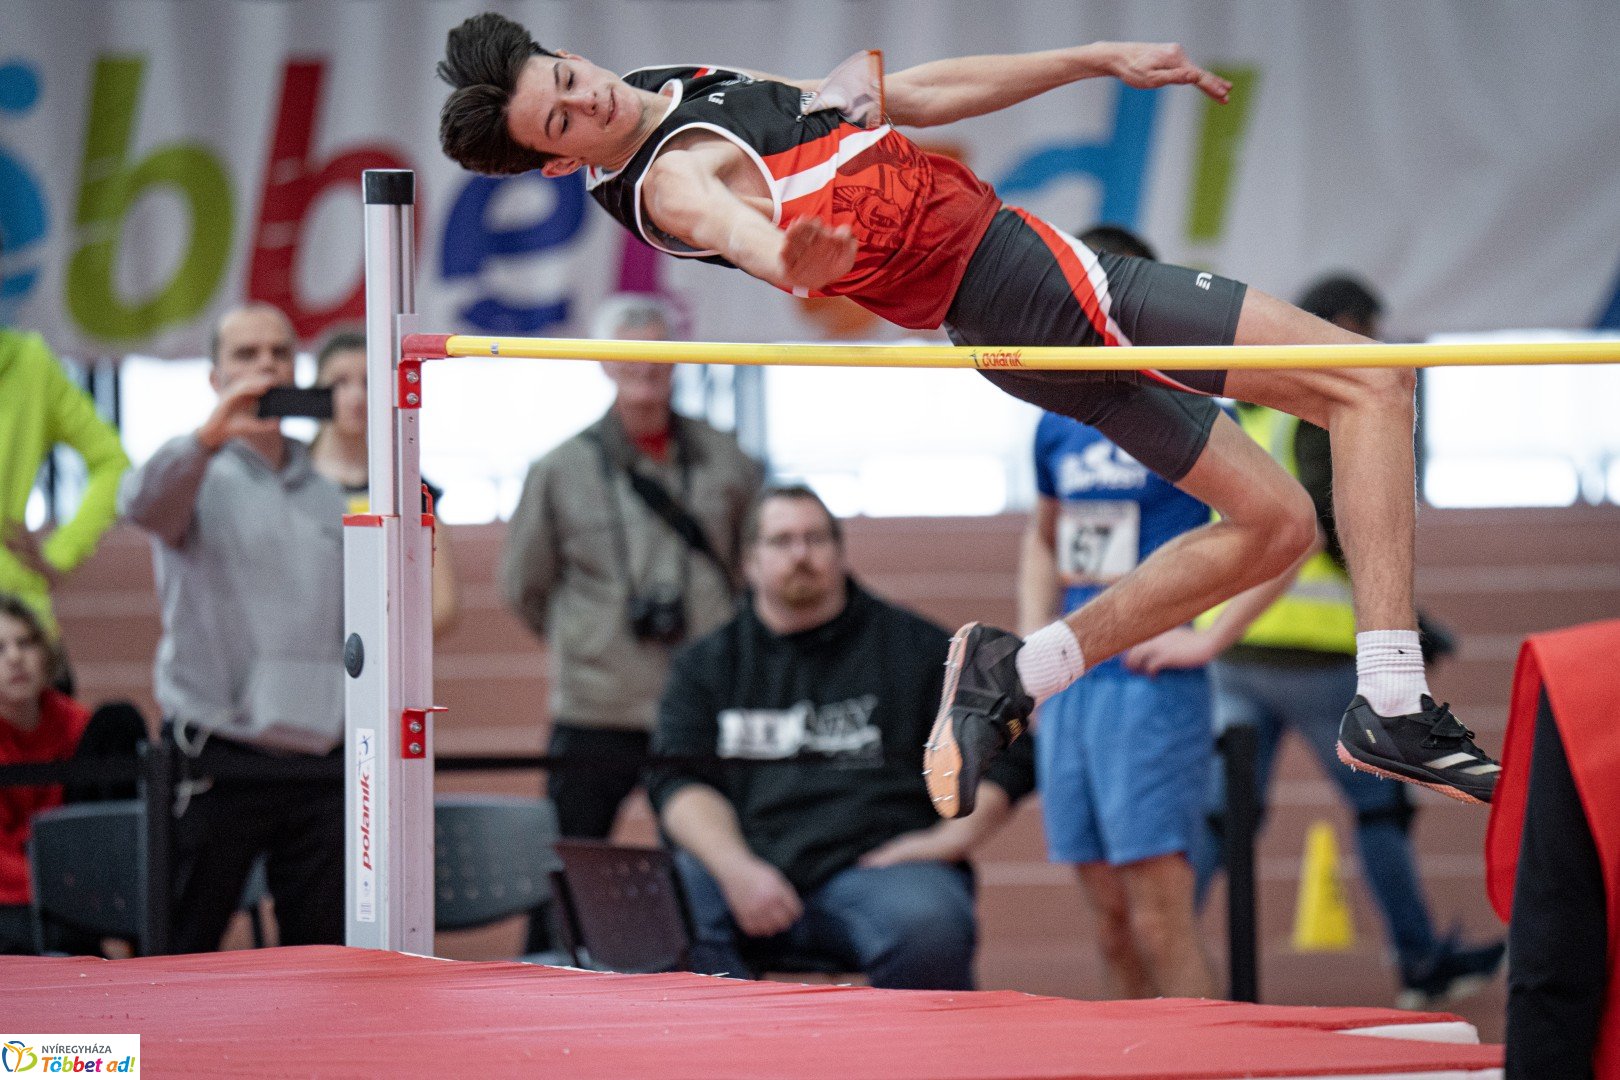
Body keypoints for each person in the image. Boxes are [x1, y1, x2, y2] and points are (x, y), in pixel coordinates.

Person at [435, 16, 1500, 815]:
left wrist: (1086, 59)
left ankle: (1014, 671)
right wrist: (790, 259)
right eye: (563, 123)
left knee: (1274, 526)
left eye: (569, 80)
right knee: (1373, 378)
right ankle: (1394, 698)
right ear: (557, 161)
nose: (590, 105)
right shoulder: (669, 179)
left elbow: (907, 99)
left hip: (1005, 325)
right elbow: (739, 228)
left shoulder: (677, 84)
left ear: (569, 53)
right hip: (1029, 277)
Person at [1189, 275, 1504, 1008]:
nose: (1371, 344)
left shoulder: (1248, 404)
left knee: (1221, 815)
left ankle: (1163, 947)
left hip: (1234, 649)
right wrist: (1412, 626)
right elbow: (1339, 527)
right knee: (1380, 809)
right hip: (1318, 656)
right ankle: (1421, 963)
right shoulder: (1328, 404)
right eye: (1366, 327)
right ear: (1341, 323)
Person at [648, 485, 1035, 989]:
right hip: (744, 870)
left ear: (840, 550)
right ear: (750, 561)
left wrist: (949, 840)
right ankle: (730, 1061)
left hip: (877, 871)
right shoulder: (707, 665)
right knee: (662, 903)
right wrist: (735, 869)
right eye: (782, 541)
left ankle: (933, 1067)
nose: (801, 555)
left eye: (816, 539)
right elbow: (676, 782)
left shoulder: (914, 649)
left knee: (929, 923)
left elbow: (1012, 746)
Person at [501, 295, 760, 947]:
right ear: (604, 363)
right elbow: (524, 586)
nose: (645, 363)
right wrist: (586, 641)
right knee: (561, 862)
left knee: (713, 861)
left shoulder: (727, 458)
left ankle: (717, 981)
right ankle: (545, 972)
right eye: (629, 349)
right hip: (596, 704)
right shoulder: (559, 469)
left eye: (657, 348)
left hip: (700, 707)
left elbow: (755, 565)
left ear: (676, 359)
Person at [118, 302, 347, 953]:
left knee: (323, 949)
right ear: (215, 378)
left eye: (278, 353)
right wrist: (207, 436)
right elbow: (137, 504)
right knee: (183, 943)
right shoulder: (190, 477)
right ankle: (163, 1058)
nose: (265, 366)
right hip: (216, 748)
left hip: (318, 756)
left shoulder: (326, 488)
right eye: (246, 356)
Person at [0, 255, 131, 670]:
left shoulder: (32, 363)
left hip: (21, 628)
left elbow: (114, 464)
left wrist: (60, 554)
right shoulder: (31, 361)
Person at [309, 329, 460, 635]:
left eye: (368, 382)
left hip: (380, 660)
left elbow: (443, 605)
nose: (356, 396)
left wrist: (378, 638)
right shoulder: (286, 478)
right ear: (315, 392)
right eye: (339, 382)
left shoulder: (410, 488)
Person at [0, 593, 89, 954]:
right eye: (0, 648)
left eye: (25, 643)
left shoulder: (77, 724)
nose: (15, 658)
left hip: (73, 889)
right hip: (11, 899)